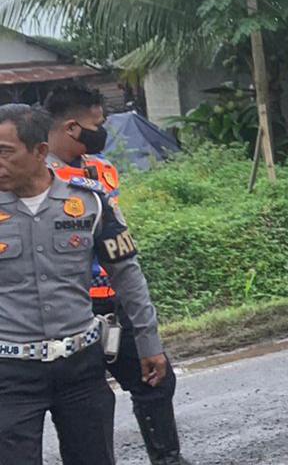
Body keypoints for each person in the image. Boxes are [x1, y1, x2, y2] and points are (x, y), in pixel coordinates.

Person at [0, 103, 169, 464]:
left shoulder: (89, 200)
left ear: (40, 151)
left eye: (5, 152)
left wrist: (148, 342)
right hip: (9, 375)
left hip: (81, 369)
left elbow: (128, 274)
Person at [44, 85, 192, 465]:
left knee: (156, 381)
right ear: (72, 127)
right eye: (99, 123)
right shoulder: (36, 179)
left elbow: (117, 240)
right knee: (84, 406)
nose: (104, 130)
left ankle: (167, 459)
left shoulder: (99, 170)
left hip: (114, 300)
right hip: (69, 312)